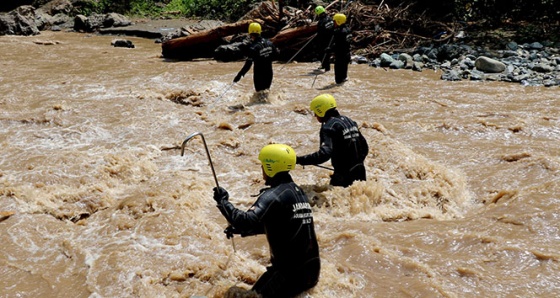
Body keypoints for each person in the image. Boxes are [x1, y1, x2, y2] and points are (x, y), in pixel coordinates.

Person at [213, 144, 321, 297]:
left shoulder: (273, 195)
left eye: (263, 164)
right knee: (253, 293)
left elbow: (244, 220)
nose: (262, 169)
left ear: (271, 166)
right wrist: (242, 231)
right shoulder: (297, 191)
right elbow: (281, 224)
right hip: (310, 270)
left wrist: (223, 202)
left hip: (289, 275)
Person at [296, 94, 369, 187]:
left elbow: (324, 155)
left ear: (320, 110)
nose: (315, 115)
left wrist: (299, 160)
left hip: (343, 176)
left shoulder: (328, 127)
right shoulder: (349, 121)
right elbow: (364, 147)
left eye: (316, 112)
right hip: (360, 171)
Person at [233, 22, 278, 92]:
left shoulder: (253, 47)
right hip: (269, 73)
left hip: (259, 75)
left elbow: (248, 65)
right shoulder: (269, 43)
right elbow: (276, 55)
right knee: (266, 92)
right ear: (260, 31)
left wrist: (239, 75)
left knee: (259, 93)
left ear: (250, 33)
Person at [323, 13, 352, 84]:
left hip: (340, 55)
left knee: (338, 79)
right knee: (344, 75)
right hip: (347, 54)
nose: (334, 23)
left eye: (335, 21)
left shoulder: (339, 32)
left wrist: (329, 49)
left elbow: (338, 45)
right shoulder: (348, 30)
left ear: (339, 21)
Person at [314, 5, 334, 71]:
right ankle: (324, 66)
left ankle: (327, 68)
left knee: (324, 54)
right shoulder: (330, 18)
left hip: (324, 40)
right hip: (331, 39)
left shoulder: (321, 21)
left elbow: (320, 31)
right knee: (325, 53)